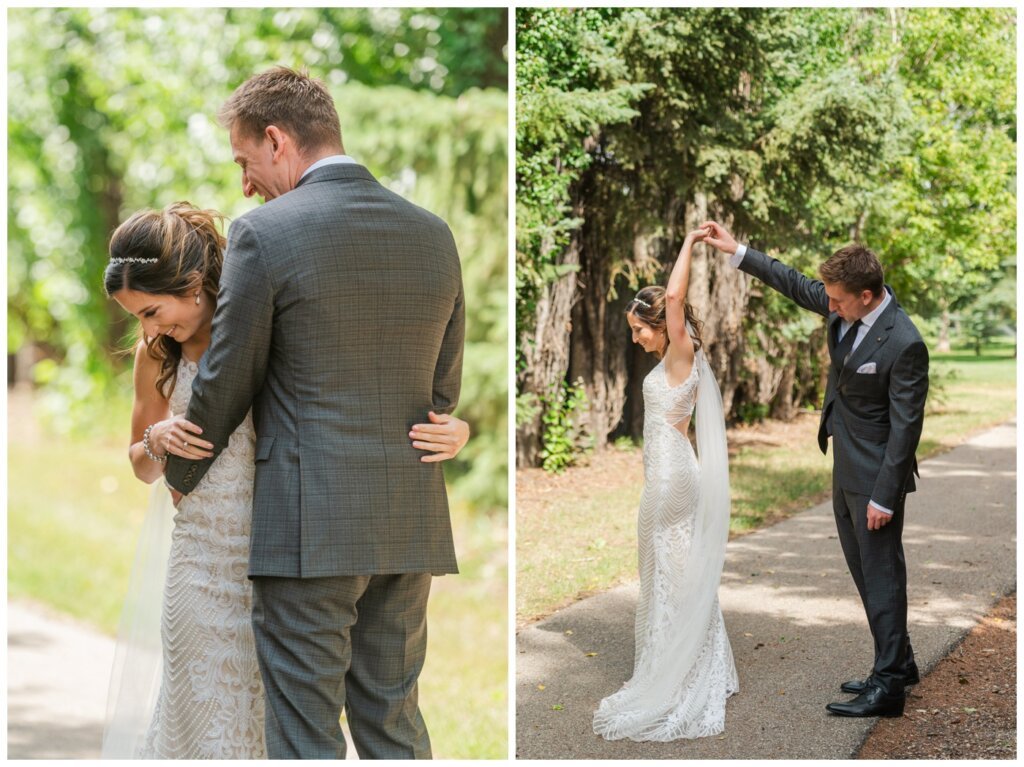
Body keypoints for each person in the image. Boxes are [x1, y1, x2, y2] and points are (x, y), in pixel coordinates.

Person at [158, 66, 467, 759]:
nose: (244, 184)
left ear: (276, 141)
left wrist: (180, 469)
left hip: (308, 531)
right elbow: (440, 394)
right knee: (393, 724)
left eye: (244, 161)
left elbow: (227, 381)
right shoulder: (434, 234)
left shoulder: (264, 234)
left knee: (305, 738)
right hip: (406, 523)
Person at [101, 202, 468, 758]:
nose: (150, 328)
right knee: (198, 722)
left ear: (194, 283)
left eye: (153, 310)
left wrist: (453, 427)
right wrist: (156, 442)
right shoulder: (155, 357)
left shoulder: (262, 331)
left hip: (283, 550)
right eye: (138, 318)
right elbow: (140, 465)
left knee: (279, 723)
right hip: (199, 569)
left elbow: (357, 391)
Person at [701, 220, 928, 718]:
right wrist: (736, 250)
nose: (828, 305)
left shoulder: (903, 343)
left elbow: (905, 431)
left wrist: (885, 496)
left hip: (876, 478)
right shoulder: (840, 301)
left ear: (867, 296)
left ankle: (888, 687)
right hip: (844, 462)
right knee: (865, 572)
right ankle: (901, 660)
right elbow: (792, 281)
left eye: (838, 300)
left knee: (882, 575)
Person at [593, 227, 738, 742]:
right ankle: (694, 660)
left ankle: (677, 674)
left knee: (667, 569)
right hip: (671, 470)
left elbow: (675, 294)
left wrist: (690, 243)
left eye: (639, 330)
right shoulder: (675, 359)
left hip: (673, 477)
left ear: (661, 324)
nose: (636, 339)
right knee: (675, 568)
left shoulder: (681, 351)